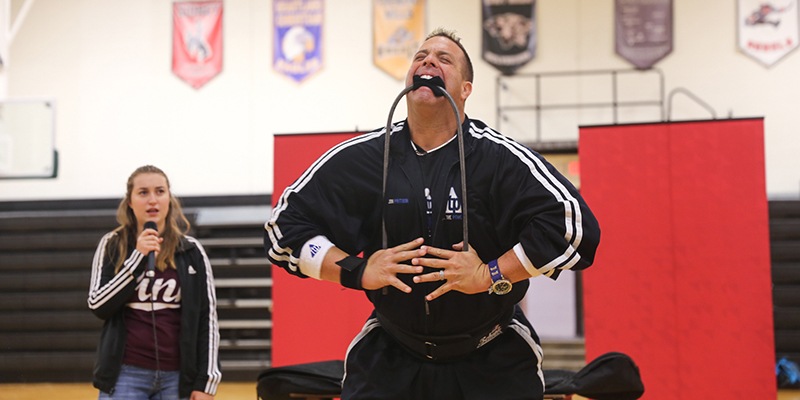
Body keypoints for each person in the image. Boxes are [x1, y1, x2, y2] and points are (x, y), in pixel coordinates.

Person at [264, 28, 600, 400]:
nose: (428, 61)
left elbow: (576, 228)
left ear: (465, 89)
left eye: (444, 59)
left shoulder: (499, 159)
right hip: (391, 352)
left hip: (493, 353)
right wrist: (355, 271)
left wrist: (487, 274)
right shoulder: (364, 158)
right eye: (421, 56)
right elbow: (283, 229)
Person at [88, 165, 221, 400]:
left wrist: (207, 382)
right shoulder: (111, 244)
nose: (152, 200)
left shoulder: (191, 251)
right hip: (125, 374)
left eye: (159, 191)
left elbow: (207, 319)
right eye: (143, 192)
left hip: (179, 377)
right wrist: (137, 258)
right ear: (130, 201)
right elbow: (98, 305)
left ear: (169, 198)